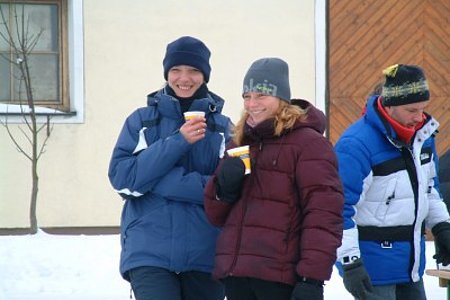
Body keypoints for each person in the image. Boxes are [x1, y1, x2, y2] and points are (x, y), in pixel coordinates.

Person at [204, 57, 344, 300]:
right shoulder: (239, 141)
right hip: (236, 275)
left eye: (261, 95)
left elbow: (323, 215)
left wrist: (311, 279)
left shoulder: (309, 144)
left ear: (281, 98)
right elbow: (215, 215)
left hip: (281, 279)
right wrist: (223, 189)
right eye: (247, 96)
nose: (252, 103)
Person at [108, 36, 232, 300]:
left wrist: (158, 181)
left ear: (205, 75)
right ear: (166, 73)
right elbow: (123, 180)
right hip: (148, 252)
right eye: (176, 70)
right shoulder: (142, 121)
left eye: (193, 70)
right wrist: (179, 141)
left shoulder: (223, 128)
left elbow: (227, 191)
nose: (184, 78)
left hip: (206, 254)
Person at [334, 64, 450, 300]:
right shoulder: (356, 144)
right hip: (372, 271)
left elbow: (429, 191)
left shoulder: (422, 137)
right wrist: (350, 263)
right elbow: (338, 209)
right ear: (389, 105)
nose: (419, 117)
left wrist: (443, 228)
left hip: (411, 265)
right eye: (411, 110)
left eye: (423, 109)